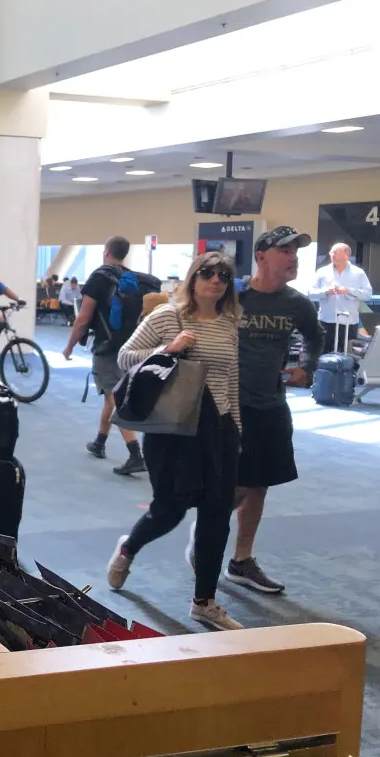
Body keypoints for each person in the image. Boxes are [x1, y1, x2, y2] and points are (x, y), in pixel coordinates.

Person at [105, 250, 244, 631]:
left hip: (220, 430)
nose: (216, 280)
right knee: (170, 509)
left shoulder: (230, 323)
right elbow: (125, 357)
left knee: (217, 515)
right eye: (208, 273)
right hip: (173, 431)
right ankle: (128, 548)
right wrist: (167, 348)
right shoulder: (168, 315)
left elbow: (231, 380)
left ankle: (204, 601)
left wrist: (238, 431)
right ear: (193, 277)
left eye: (223, 276)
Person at [186, 226, 323, 594]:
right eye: (285, 250)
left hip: (272, 405)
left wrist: (306, 367)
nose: (293, 257)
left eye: (296, 252)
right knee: (233, 484)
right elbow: (191, 318)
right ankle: (205, 538)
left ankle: (241, 560)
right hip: (228, 404)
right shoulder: (233, 296)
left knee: (260, 483)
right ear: (262, 256)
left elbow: (314, 337)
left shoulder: (297, 304)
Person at [62, 236, 147, 477]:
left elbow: (83, 318)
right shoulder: (132, 279)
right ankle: (99, 442)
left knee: (114, 398)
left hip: (107, 348)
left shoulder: (100, 277)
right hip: (132, 348)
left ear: (107, 251)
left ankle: (135, 453)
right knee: (111, 395)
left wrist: (69, 347)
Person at [310, 242, 372, 351]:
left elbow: (368, 294)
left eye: (336, 252)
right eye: (331, 252)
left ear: (346, 255)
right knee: (324, 356)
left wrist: (349, 290)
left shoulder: (358, 273)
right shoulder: (322, 272)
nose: (332, 255)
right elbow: (310, 293)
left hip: (349, 322)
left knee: (348, 357)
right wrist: (326, 291)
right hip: (326, 321)